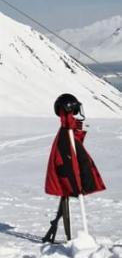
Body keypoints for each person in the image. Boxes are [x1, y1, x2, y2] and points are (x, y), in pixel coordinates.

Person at [43, 94, 105, 243]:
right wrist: (77, 186)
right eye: (75, 109)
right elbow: (69, 163)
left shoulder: (68, 130)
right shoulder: (66, 133)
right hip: (69, 180)